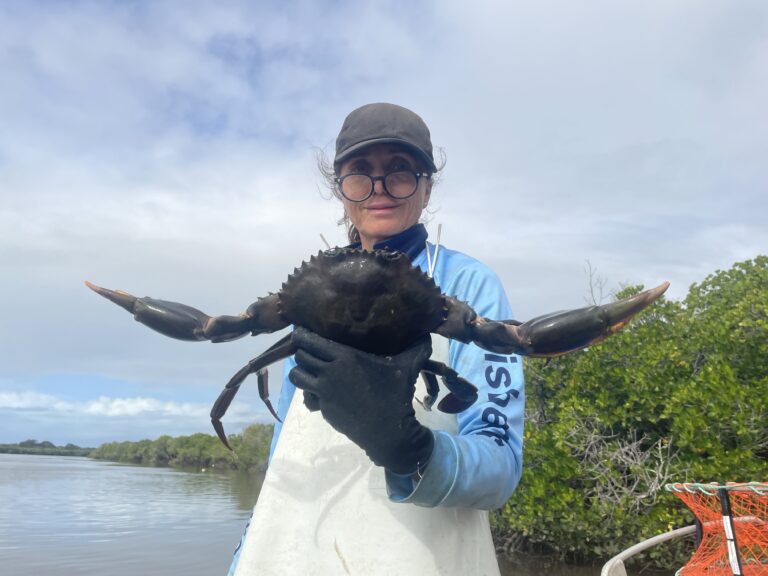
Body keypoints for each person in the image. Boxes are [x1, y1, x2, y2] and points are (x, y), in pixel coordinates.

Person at [227, 103, 524, 576]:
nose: (379, 188)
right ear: (340, 188)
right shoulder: (312, 292)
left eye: (400, 171)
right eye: (360, 172)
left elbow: (501, 467)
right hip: (292, 554)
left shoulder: (466, 286)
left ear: (427, 187)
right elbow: (282, 453)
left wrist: (410, 448)